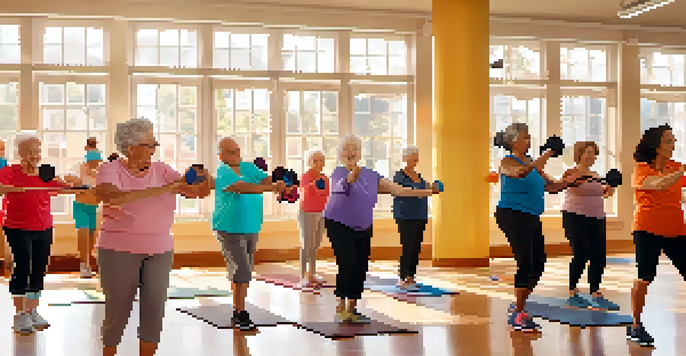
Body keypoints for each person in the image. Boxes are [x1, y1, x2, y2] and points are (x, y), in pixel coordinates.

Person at [94, 118, 211, 356]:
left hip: (159, 249)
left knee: (154, 308)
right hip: (117, 249)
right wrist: (167, 188)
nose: (154, 148)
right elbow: (114, 197)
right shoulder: (110, 169)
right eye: (149, 144)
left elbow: (197, 192)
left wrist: (203, 177)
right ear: (131, 147)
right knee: (117, 310)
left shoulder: (163, 170)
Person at [324, 134, 440, 324]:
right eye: (346, 148)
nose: (350, 152)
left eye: (354, 148)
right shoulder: (338, 172)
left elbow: (399, 190)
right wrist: (351, 176)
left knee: (361, 264)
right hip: (338, 224)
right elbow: (342, 185)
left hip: (363, 225)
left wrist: (429, 192)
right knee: (347, 261)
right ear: (340, 153)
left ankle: (352, 307)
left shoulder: (371, 175)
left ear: (359, 152)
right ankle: (340, 305)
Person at [494, 123, 578, 333]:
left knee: (539, 262)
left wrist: (570, 181)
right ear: (513, 141)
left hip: (531, 215)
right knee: (525, 260)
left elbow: (551, 186)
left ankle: (518, 305)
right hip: (511, 214)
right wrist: (548, 153)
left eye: (530, 137)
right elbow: (520, 173)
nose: (529, 141)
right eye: (525, 138)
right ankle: (519, 314)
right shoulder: (507, 162)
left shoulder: (532, 162)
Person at [0, 131, 81, 335]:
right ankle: (20, 315)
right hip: (17, 226)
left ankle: (32, 310)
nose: (35, 155)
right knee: (23, 266)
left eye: (37, 151)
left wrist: (71, 181)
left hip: (43, 226)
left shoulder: (45, 172)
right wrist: (13, 189)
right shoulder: (10, 171)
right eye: (30, 151)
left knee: (38, 268)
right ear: (19, 152)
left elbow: (64, 187)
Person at [210, 136, 286, 331]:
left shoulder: (247, 167)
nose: (237, 154)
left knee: (244, 271)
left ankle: (238, 309)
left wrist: (280, 183)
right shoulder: (223, 172)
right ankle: (240, 312)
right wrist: (270, 188)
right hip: (229, 227)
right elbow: (242, 188)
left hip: (251, 226)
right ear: (221, 156)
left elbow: (264, 179)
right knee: (242, 270)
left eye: (237, 150)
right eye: (231, 151)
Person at [627, 124, 686, 347]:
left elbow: (681, 193)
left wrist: (679, 172)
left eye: (674, 140)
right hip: (647, 229)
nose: (673, 145)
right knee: (645, 276)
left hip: (676, 229)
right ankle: (635, 325)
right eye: (669, 141)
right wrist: (680, 173)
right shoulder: (642, 169)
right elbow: (659, 185)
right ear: (656, 146)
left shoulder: (676, 166)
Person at [561, 141, 617, 310]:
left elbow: (605, 193)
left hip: (597, 217)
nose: (591, 156)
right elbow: (569, 184)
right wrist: (588, 179)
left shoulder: (596, 175)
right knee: (581, 253)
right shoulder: (571, 172)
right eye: (587, 153)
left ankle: (595, 291)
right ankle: (572, 290)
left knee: (599, 255)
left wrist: (611, 186)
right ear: (579, 154)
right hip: (575, 216)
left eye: (593, 153)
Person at [392, 146, 429, 289]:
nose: (416, 160)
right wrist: (418, 191)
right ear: (406, 159)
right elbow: (399, 191)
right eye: (414, 157)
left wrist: (434, 187)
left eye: (417, 157)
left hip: (420, 214)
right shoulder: (399, 176)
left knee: (416, 246)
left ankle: (411, 276)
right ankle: (403, 276)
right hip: (405, 215)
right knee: (407, 246)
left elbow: (425, 187)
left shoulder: (418, 175)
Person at [297, 150, 330, 288]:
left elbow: (326, 195)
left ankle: (312, 273)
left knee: (315, 245)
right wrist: (315, 187)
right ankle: (303, 275)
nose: (318, 163)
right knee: (307, 244)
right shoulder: (305, 177)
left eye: (321, 160)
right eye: (315, 160)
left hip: (321, 213)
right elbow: (307, 193)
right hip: (307, 213)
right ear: (310, 162)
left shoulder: (325, 178)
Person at [73, 141, 103, 278]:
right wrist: (78, 181)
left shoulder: (100, 172)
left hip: (93, 207)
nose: (96, 164)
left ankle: (88, 264)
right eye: (94, 162)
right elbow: (67, 176)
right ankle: (83, 264)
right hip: (81, 206)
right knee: (83, 233)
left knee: (91, 236)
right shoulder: (79, 167)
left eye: (97, 162)